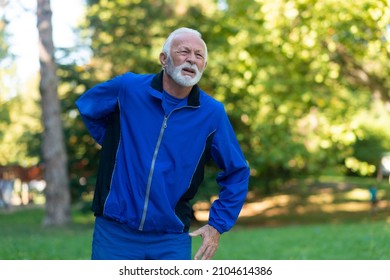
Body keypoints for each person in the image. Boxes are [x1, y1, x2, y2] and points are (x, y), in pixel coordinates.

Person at [76, 27, 250, 260]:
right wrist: (115, 146)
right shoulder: (128, 88)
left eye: (199, 55)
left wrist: (217, 225)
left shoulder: (212, 113)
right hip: (114, 233)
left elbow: (237, 171)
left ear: (204, 67)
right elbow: (89, 107)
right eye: (184, 51)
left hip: (171, 238)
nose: (191, 59)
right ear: (163, 59)